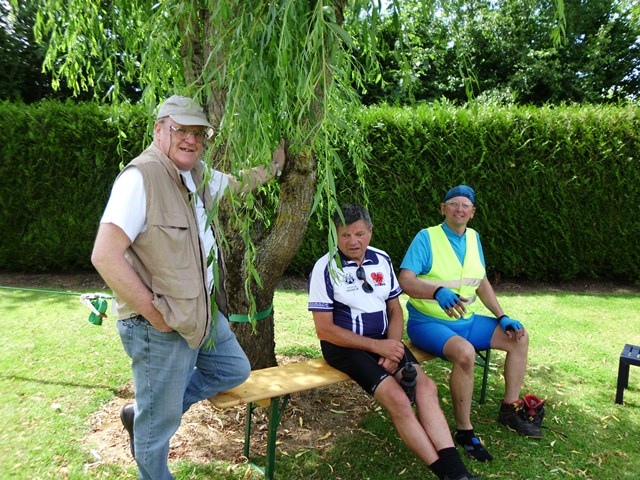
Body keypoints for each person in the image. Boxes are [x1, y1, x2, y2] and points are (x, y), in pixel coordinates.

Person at [91, 94, 286, 480]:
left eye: (198, 133)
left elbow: (238, 182)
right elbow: (105, 255)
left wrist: (277, 166)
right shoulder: (139, 178)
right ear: (159, 130)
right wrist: (154, 313)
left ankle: (148, 415)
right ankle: (153, 447)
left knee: (233, 368)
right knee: (158, 432)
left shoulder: (196, 175)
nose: (190, 140)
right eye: (180, 129)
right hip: (157, 324)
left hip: (199, 312)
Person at [308, 204, 480, 480]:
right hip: (344, 348)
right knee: (398, 400)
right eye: (345, 236)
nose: (353, 241)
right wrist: (379, 348)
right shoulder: (325, 267)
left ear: (371, 232)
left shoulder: (382, 259)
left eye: (360, 234)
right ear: (334, 236)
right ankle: (446, 473)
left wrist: (394, 345)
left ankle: (457, 472)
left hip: (385, 342)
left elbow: (395, 309)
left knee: (426, 387)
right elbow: (325, 331)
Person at [398, 185, 540, 463]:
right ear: (443, 208)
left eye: (465, 205)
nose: (459, 209)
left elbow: (481, 282)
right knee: (465, 353)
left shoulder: (474, 238)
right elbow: (406, 280)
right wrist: (437, 291)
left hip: (467, 321)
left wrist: (502, 316)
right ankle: (464, 431)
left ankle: (508, 409)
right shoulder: (426, 238)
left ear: (472, 213)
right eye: (453, 204)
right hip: (428, 322)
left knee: (518, 337)